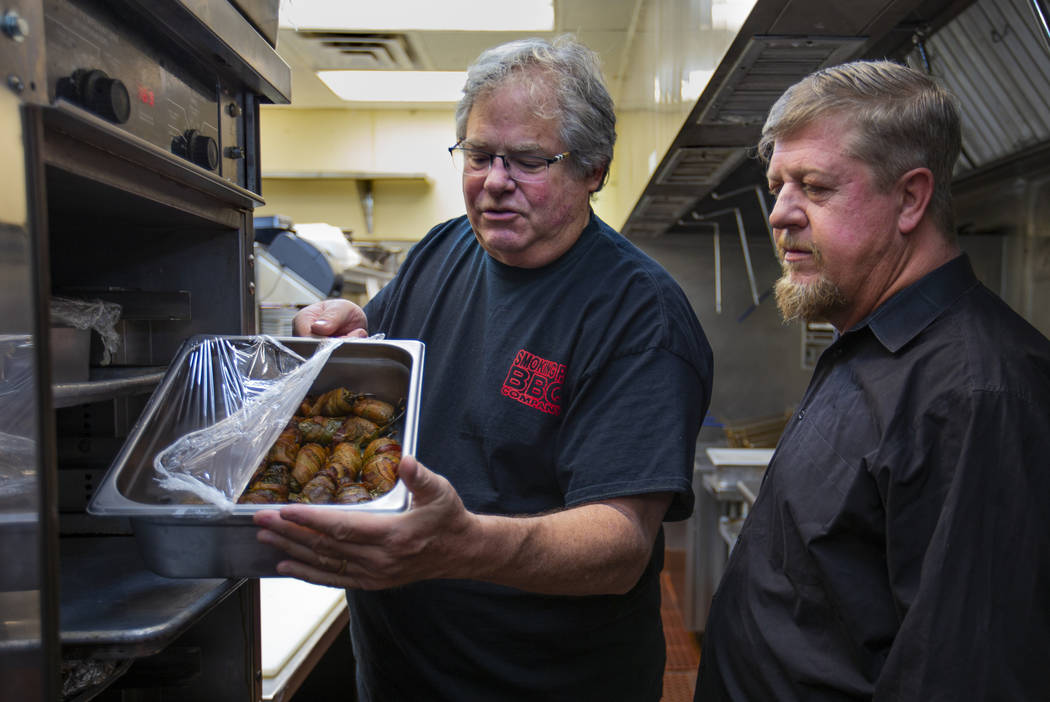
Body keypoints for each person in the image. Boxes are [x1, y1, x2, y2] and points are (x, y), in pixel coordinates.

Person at [254, 36, 713, 701]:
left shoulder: (638, 317)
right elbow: (371, 367)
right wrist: (336, 336)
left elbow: (619, 547)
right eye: (477, 155)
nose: (495, 181)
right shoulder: (444, 248)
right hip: (397, 676)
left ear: (594, 170)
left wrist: (464, 545)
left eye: (528, 160)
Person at [694, 59, 1050, 700]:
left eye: (814, 186)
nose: (780, 215)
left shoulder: (977, 395)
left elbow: (965, 676)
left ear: (911, 198)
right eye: (777, 185)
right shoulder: (866, 341)